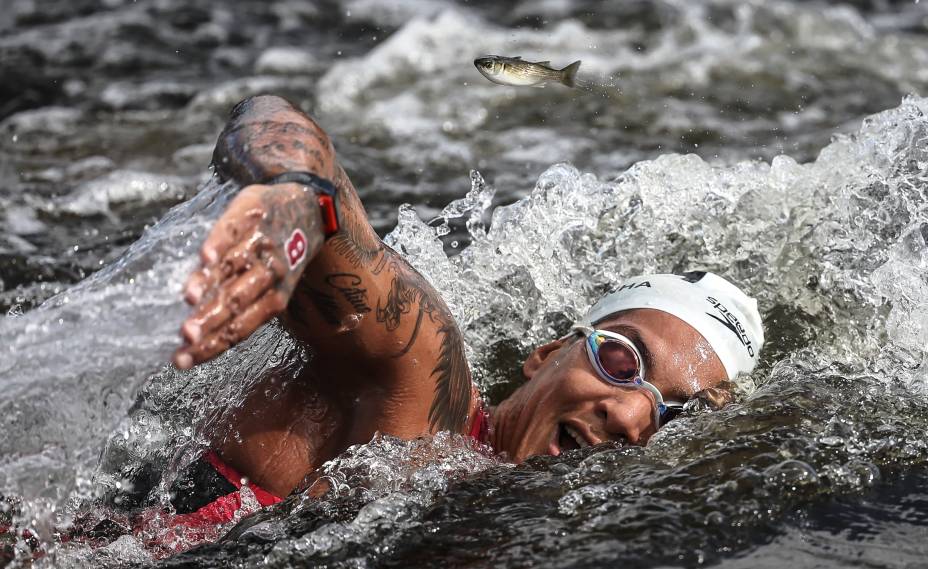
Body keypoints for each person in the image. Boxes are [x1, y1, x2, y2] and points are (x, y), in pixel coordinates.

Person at [158, 94, 764, 528]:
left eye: (674, 415)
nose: (634, 416)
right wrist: (294, 195)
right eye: (621, 359)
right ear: (547, 354)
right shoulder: (420, 385)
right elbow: (279, 122)